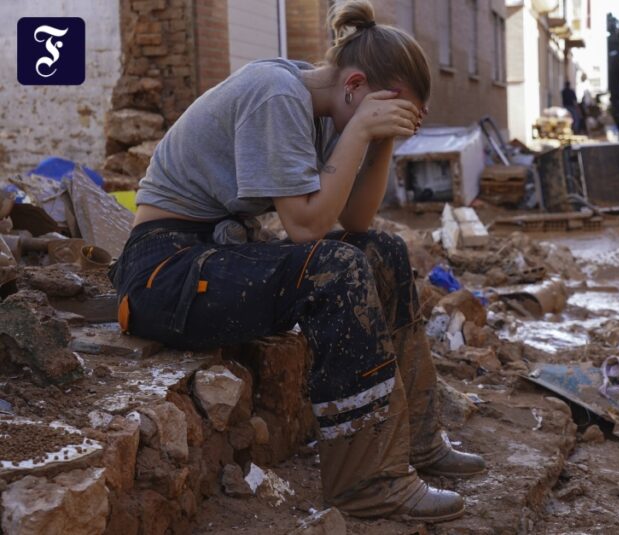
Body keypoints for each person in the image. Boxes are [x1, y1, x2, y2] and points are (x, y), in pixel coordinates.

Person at [107, 0, 484, 523]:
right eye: (388, 109)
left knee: (382, 252)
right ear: (354, 86)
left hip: (218, 254)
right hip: (163, 272)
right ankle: (368, 482)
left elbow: (355, 220)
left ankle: (418, 441)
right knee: (336, 268)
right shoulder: (276, 94)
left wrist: (380, 142)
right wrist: (358, 131)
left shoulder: (329, 109)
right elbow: (305, 229)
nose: (386, 122)